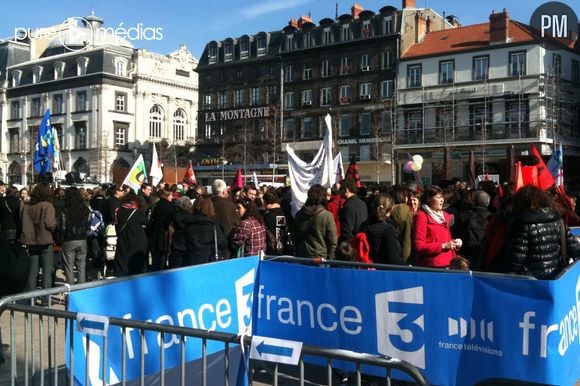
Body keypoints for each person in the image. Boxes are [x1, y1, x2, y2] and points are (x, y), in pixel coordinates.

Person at [504, 185, 580, 279]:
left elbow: (515, 262)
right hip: (557, 278)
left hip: (533, 283)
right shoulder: (559, 221)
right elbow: (575, 249)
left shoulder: (522, 225)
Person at [18, 183, 57, 294]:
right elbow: (50, 224)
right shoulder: (47, 206)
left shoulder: (27, 206)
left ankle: (31, 296)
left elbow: (22, 223)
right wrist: (55, 226)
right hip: (45, 240)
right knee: (47, 271)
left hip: (30, 241)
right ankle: (45, 298)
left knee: (32, 271)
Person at [413, 185, 461, 268]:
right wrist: (443, 246)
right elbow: (419, 246)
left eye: (442, 197)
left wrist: (455, 243)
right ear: (429, 199)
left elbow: (445, 240)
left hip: (449, 264)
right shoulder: (421, 216)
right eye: (438, 197)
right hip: (432, 266)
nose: (442, 200)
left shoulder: (444, 216)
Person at [292, 184, 337, 260]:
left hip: (302, 255)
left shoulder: (299, 214)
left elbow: (294, 236)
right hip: (320, 257)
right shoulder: (327, 216)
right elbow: (332, 241)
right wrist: (330, 258)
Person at [58, 187, 91, 284]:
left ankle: (71, 291)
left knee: (69, 268)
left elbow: (63, 227)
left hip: (69, 240)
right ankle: (81, 290)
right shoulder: (85, 209)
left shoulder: (65, 210)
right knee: (81, 267)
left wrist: (60, 239)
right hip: (82, 239)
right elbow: (88, 225)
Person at [183, 195, 228, 265]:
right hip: (208, 260)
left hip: (190, 259)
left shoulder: (187, 223)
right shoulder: (212, 225)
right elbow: (222, 243)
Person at [362, 193, 405, 265]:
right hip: (384, 270)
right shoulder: (387, 230)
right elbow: (393, 258)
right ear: (391, 209)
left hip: (366, 268)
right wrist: (407, 266)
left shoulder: (364, 226)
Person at [114, 191, 148, 276]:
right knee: (137, 266)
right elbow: (146, 222)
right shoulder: (139, 213)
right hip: (138, 242)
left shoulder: (118, 211)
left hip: (123, 240)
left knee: (122, 264)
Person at [454, 190, 492, 269]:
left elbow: (455, 234)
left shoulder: (463, 216)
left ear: (473, 201)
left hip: (465, 255)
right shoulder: (492, 218)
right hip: (484, 254)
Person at [211, 179, 240, 258]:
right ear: (224, 191)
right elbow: (237, 224)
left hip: (209, 243)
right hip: (227, 245)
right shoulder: (230, 205)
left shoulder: (206, 204)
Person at [147, 189, 175, 271]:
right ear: (167, 196)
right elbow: (168, 221)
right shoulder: (169, 206)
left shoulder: (156, 205)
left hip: (154, 233)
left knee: (155, 256)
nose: (172, 197)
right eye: (171, 195)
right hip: (164, 234)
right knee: (162, 255)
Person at [262, 189, 291, 255]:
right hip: (281, 244)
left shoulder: (268, 215)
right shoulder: (282, 212)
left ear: (266, 202)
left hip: (270, 247)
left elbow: (266, 231)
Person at [390, 186, 413, 262]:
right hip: (406, 252)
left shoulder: (388, 212)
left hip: (391, 251)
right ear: (405, 197)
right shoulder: (408, 213)